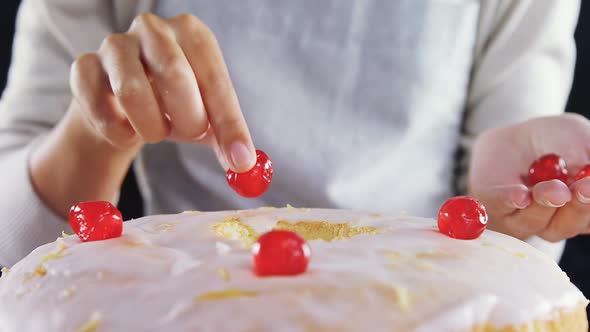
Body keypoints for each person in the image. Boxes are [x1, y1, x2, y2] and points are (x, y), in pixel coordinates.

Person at [0, 0, 585, 267]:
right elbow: (11, 244)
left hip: (425, 305)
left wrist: (513, 211)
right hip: (180, 304)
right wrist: (101, 127)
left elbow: (509, 248)